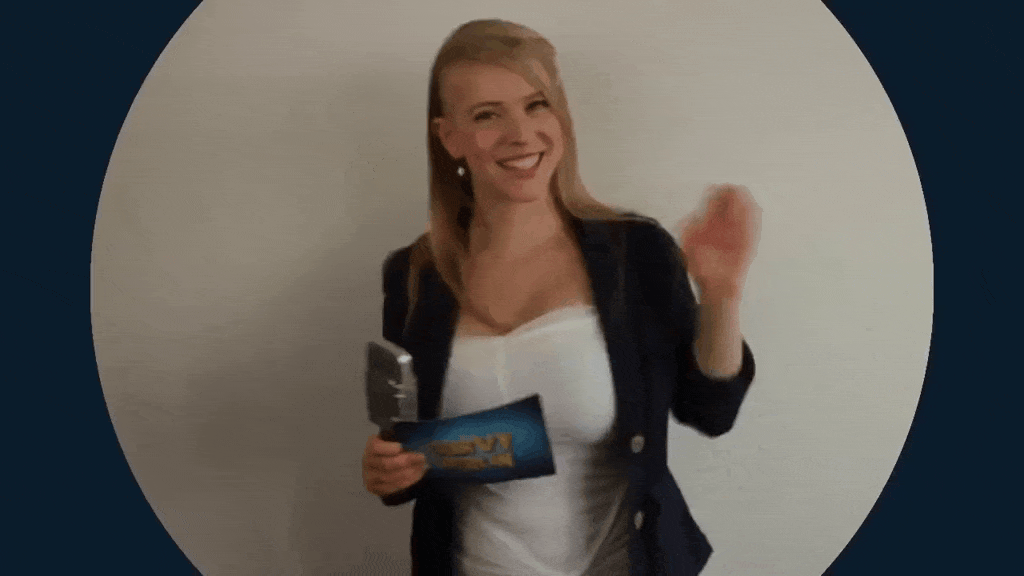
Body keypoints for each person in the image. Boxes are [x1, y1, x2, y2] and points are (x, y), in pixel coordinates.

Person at [361, 19, 762, 576]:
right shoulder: (411, 277)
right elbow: (411, 450)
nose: (520, 134)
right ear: (449, 137)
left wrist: (721, 294)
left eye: (536, 105)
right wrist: (388, 471)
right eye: (487, 115)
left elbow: (711, 412)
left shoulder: (635, 253)